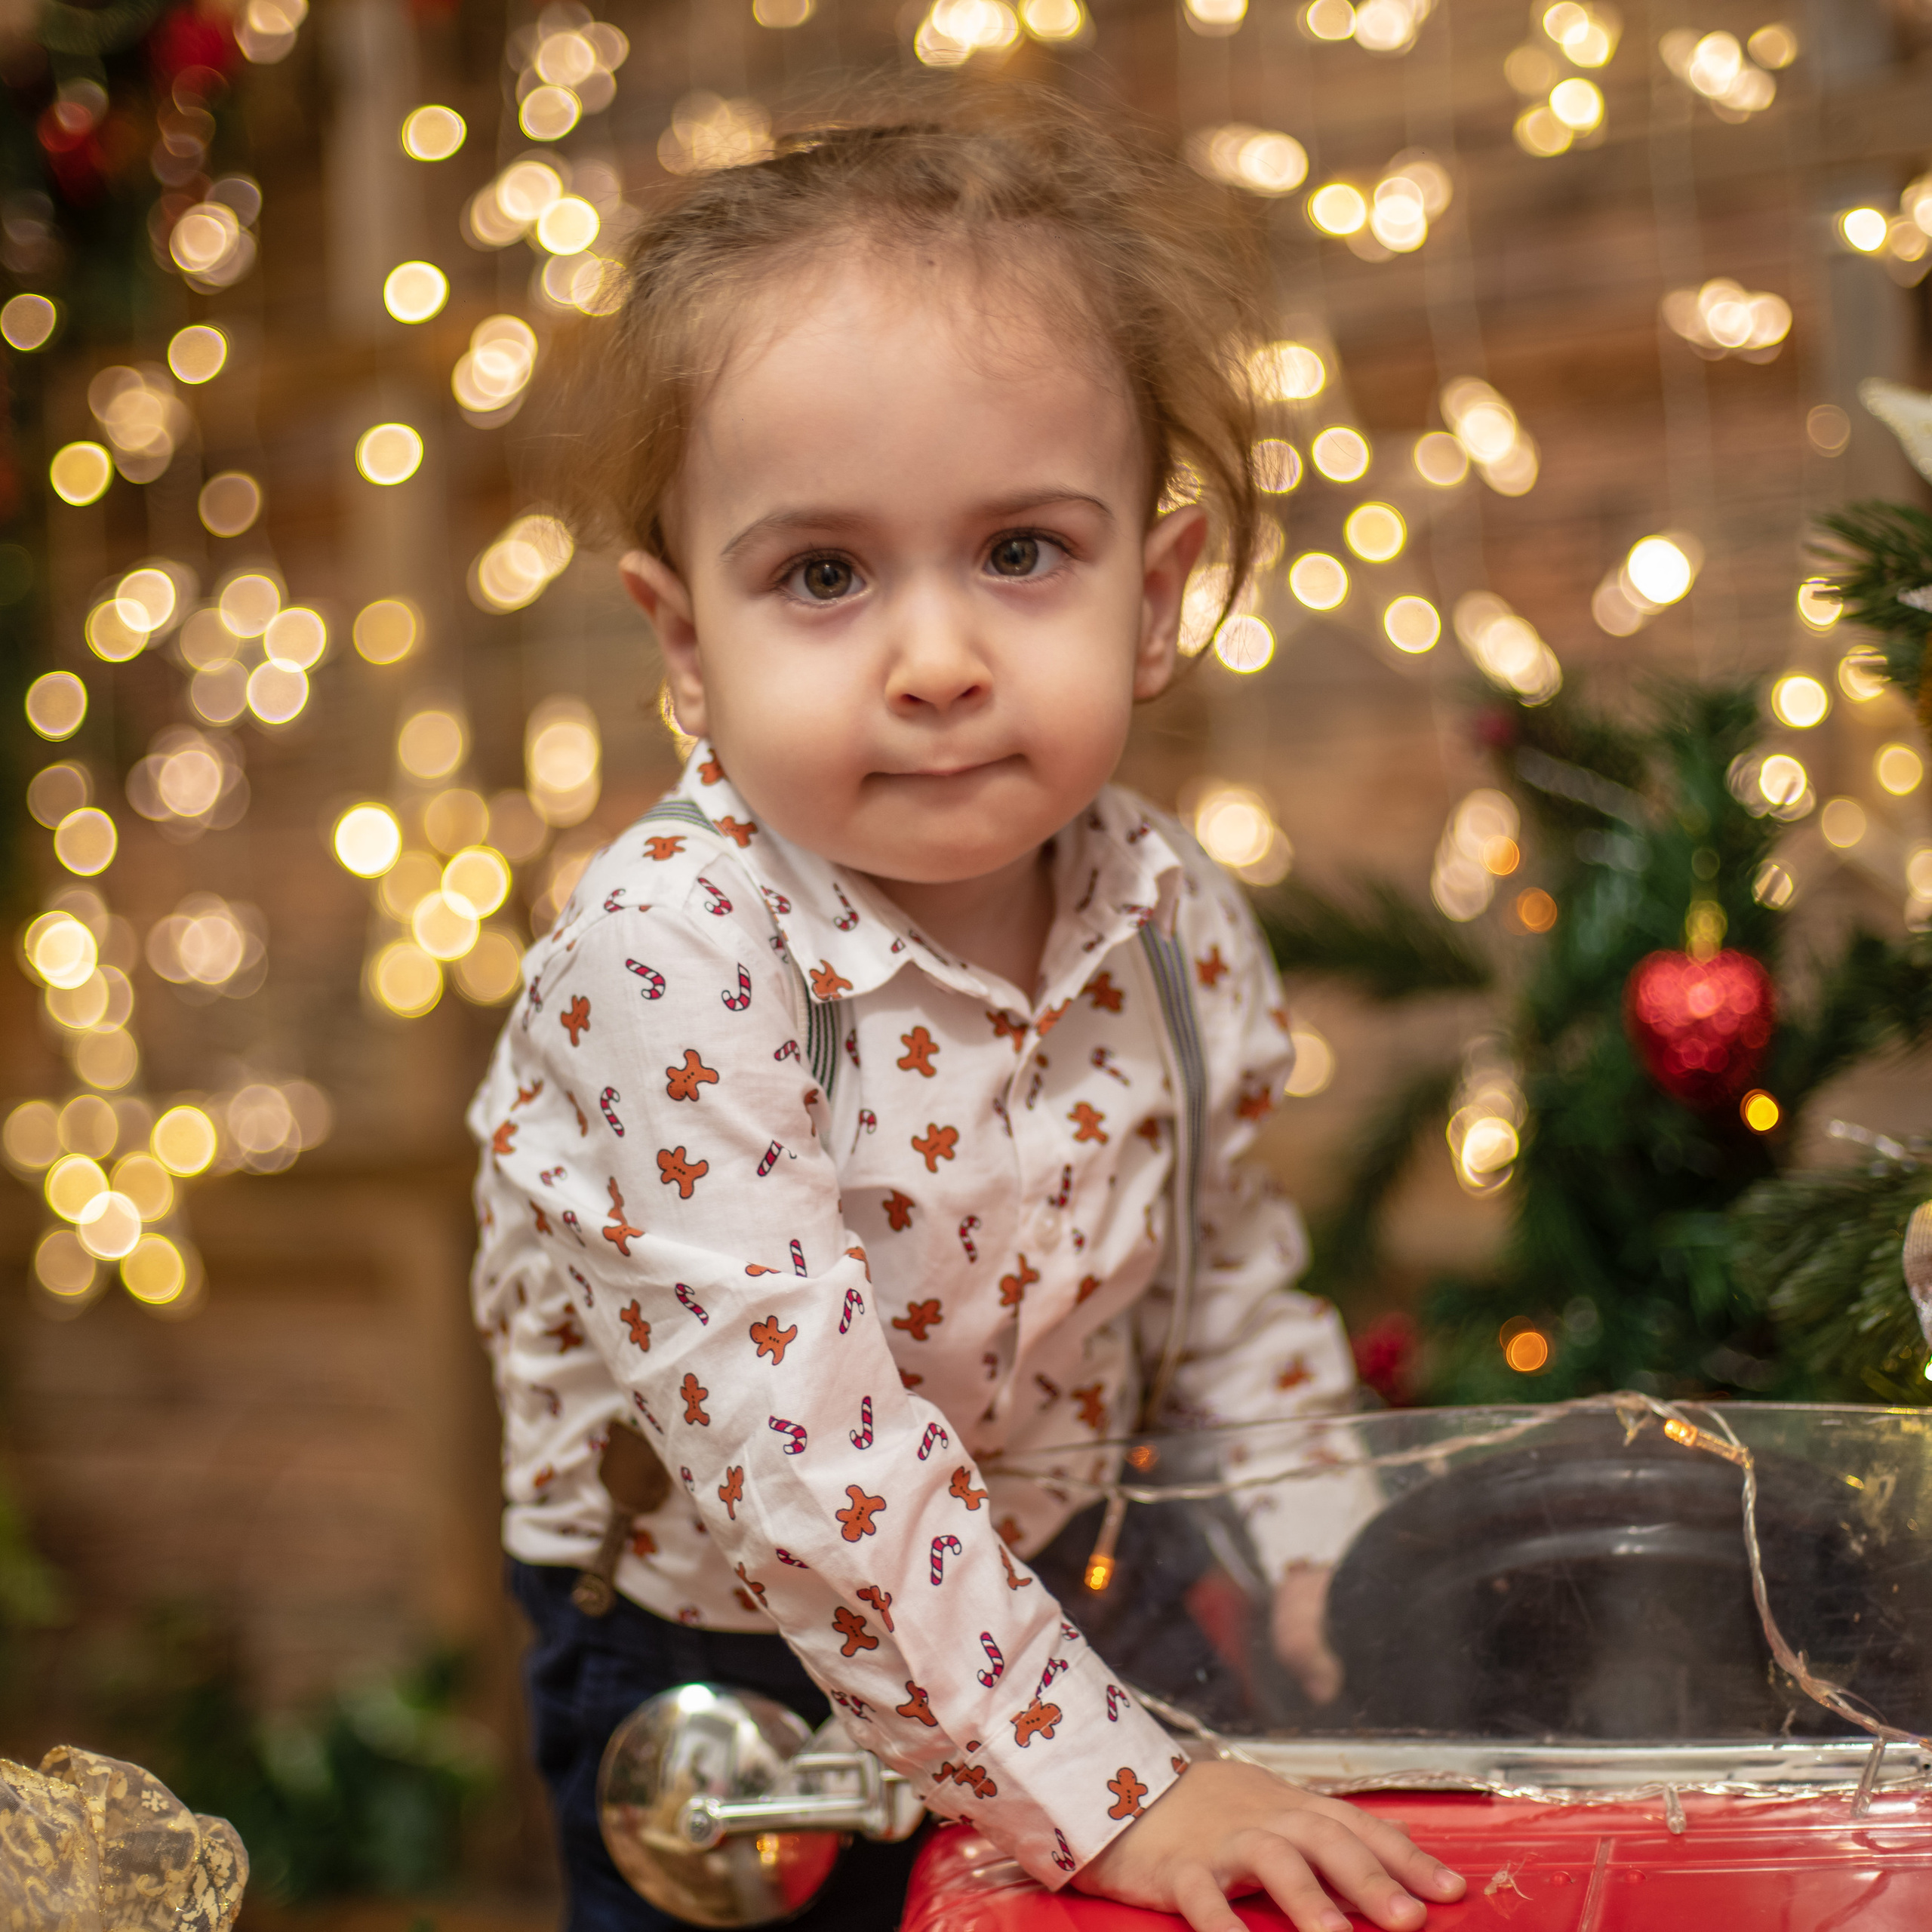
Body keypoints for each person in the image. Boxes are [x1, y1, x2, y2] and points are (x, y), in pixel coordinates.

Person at [469, 83, 1465, 1932]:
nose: (937, 662)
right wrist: (1121, 1786)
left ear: (1152, 594)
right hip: (739, 1663)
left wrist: (1341, 1582)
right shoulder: (673, 952)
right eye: (823, 574)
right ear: (686, 638)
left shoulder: (1171, 915)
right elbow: (805, 1464)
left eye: (1020, 551)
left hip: (1106, 1599)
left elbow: (1226, 1279)